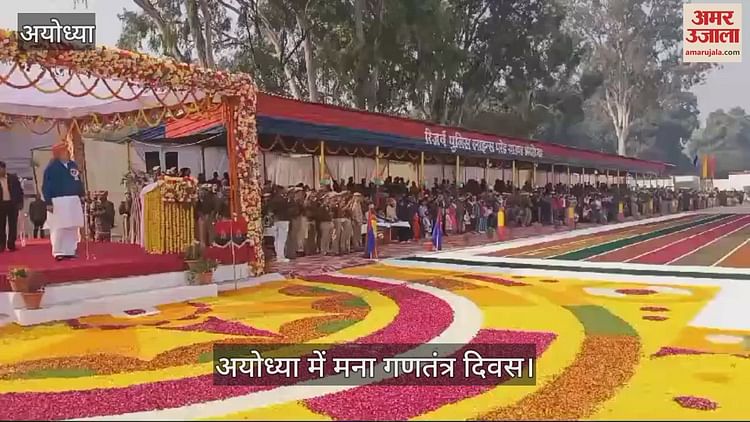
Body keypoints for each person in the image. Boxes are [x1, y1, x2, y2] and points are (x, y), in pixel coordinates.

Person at [41, 144, 85, 261]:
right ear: (58, 153)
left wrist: (82, 194)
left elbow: (78, 181)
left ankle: (70, 251)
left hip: (73, 200)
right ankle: (58, 251)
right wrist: (48, 202)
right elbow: (46, 186)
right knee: (59, 228)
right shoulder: (51, 168)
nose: (68, 152)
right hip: (58, 201)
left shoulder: (72, 165)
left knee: (72, 227)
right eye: (65, 151)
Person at [0, 161, 24, 251]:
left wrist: (20, 203)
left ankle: (11, 244)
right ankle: (1, 244)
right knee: (1, 225)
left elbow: (19, 191)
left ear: (4, 169)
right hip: (1, 205)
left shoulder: (13, 178)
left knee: (13, 225)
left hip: (12, 204)